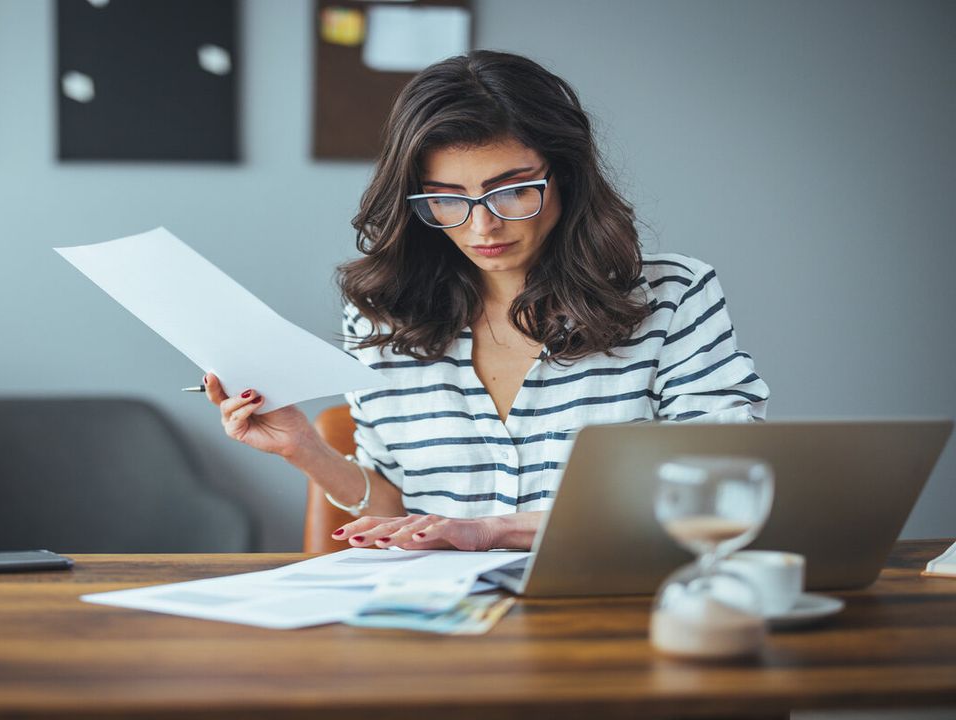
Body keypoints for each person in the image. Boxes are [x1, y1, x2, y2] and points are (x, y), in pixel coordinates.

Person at [203, 50, 769, 552]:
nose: (482, 226)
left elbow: (720, 490)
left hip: (609, 609)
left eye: (513, 189)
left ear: (565, 176)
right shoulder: (382, 318)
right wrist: (304, 448)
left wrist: (496, 530)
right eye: (447, 200)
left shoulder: (671, 297)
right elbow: (395, 516)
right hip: (441, 624)